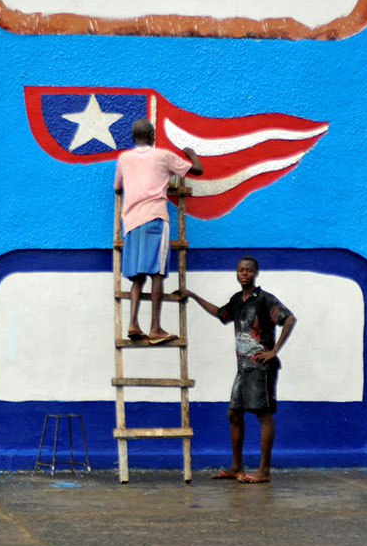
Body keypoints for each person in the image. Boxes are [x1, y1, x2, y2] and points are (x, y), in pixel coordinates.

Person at [179, 256, 296, 482]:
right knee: (234, 414)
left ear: (255, 273)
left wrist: (274, 351)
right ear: (237, 273)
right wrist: (193, 296)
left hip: (261, 368)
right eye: (241, 270)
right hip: (243, 368)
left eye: (248, 270)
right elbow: (220, 314)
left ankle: (264, 471)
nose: (244, 273)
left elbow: (289, 318)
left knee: (263, 414)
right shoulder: (237, 301)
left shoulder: (264, 299)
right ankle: (236, 466)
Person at [114, 118, 202, 344]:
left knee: (136, 278)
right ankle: (155, 328)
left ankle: (133, 324)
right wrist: (191, 154)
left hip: (131, 223)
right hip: (155, 218)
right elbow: (198, 170)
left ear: (133, 138)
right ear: (153, 136)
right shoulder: (163, 156)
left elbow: (117, 187)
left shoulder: (124, 159)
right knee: (157, 273)